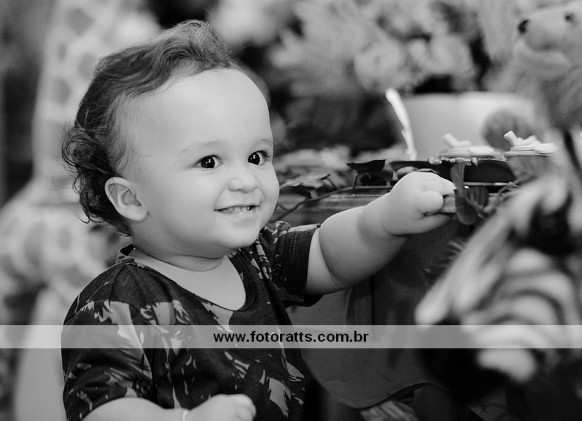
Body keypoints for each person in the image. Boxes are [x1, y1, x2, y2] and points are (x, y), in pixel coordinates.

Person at [60, 19, 454, 421]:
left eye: (256, 157)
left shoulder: (258, 257)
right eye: (209, 161)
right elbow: (103, 408)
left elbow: (329, 254)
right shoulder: (114, 303)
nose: (246, 180)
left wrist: (385, 219)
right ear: (131, 198)